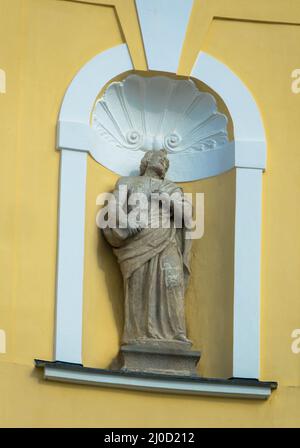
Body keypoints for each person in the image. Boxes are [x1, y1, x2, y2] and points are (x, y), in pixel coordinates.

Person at [102, 149, 192, 347]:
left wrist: (167, 201)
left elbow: (185, 216)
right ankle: (138, 334)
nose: (163, 161)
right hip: (137, 242)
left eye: (166, 161)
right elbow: (114, 206)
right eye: (159, 158)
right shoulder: (127, 182)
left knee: (173, 282)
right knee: (140, 286)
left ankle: (176, 332)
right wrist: (127, 222)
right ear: (146, 161)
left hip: (166, 240)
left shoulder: (171, 188)